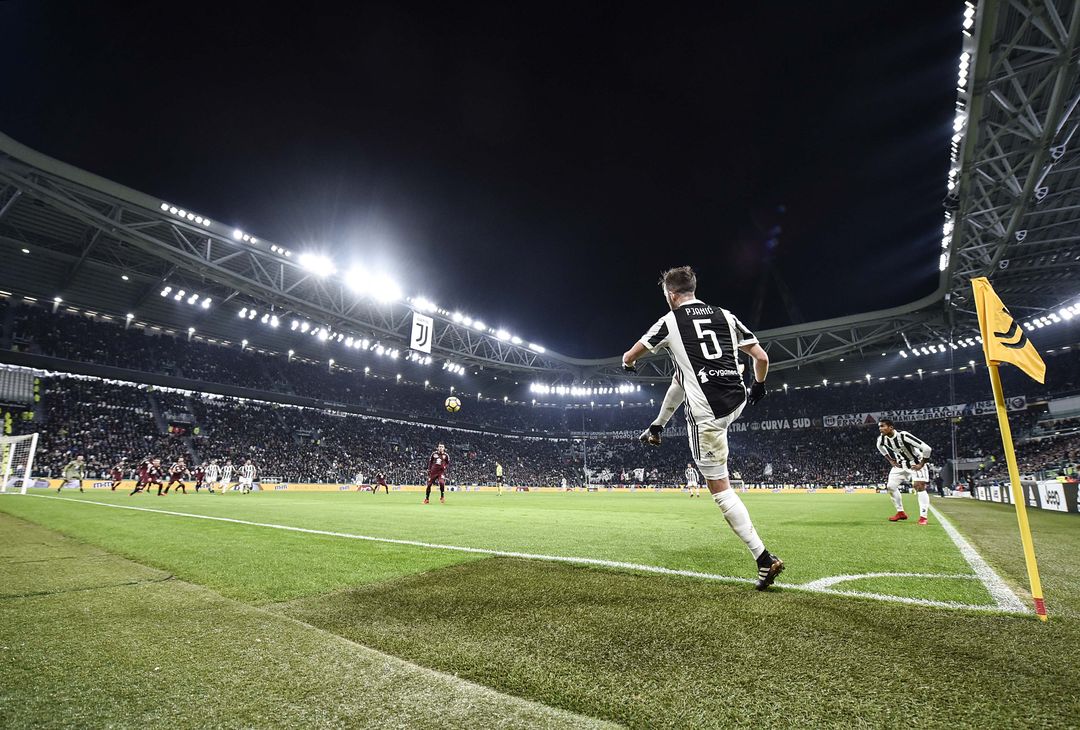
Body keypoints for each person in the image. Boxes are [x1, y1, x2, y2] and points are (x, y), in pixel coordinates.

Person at [621, 265, 783, 590]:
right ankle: (657, 425)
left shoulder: (669, 321)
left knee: (720, 490)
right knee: (683, 373)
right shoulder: (725, 314)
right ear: (693, 288)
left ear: (670, 294)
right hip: (737, 398)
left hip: (709, 415)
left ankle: (764, 558)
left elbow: (630, 354)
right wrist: (759, 386)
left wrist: (628, 365)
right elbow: (761, 357)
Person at [876, 419, 933, 525]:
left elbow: (927, 449)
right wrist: (890, 460)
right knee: (891, 487)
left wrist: (921, 464)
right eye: (879, 426)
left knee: (919, 486)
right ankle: (900, 512)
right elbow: (880, 448)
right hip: (900, 465)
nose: (880, 429)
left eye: (883, 426)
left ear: (891, 427)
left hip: (915, 463)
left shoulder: (903, 436)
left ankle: (923, 517)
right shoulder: (882, 439)